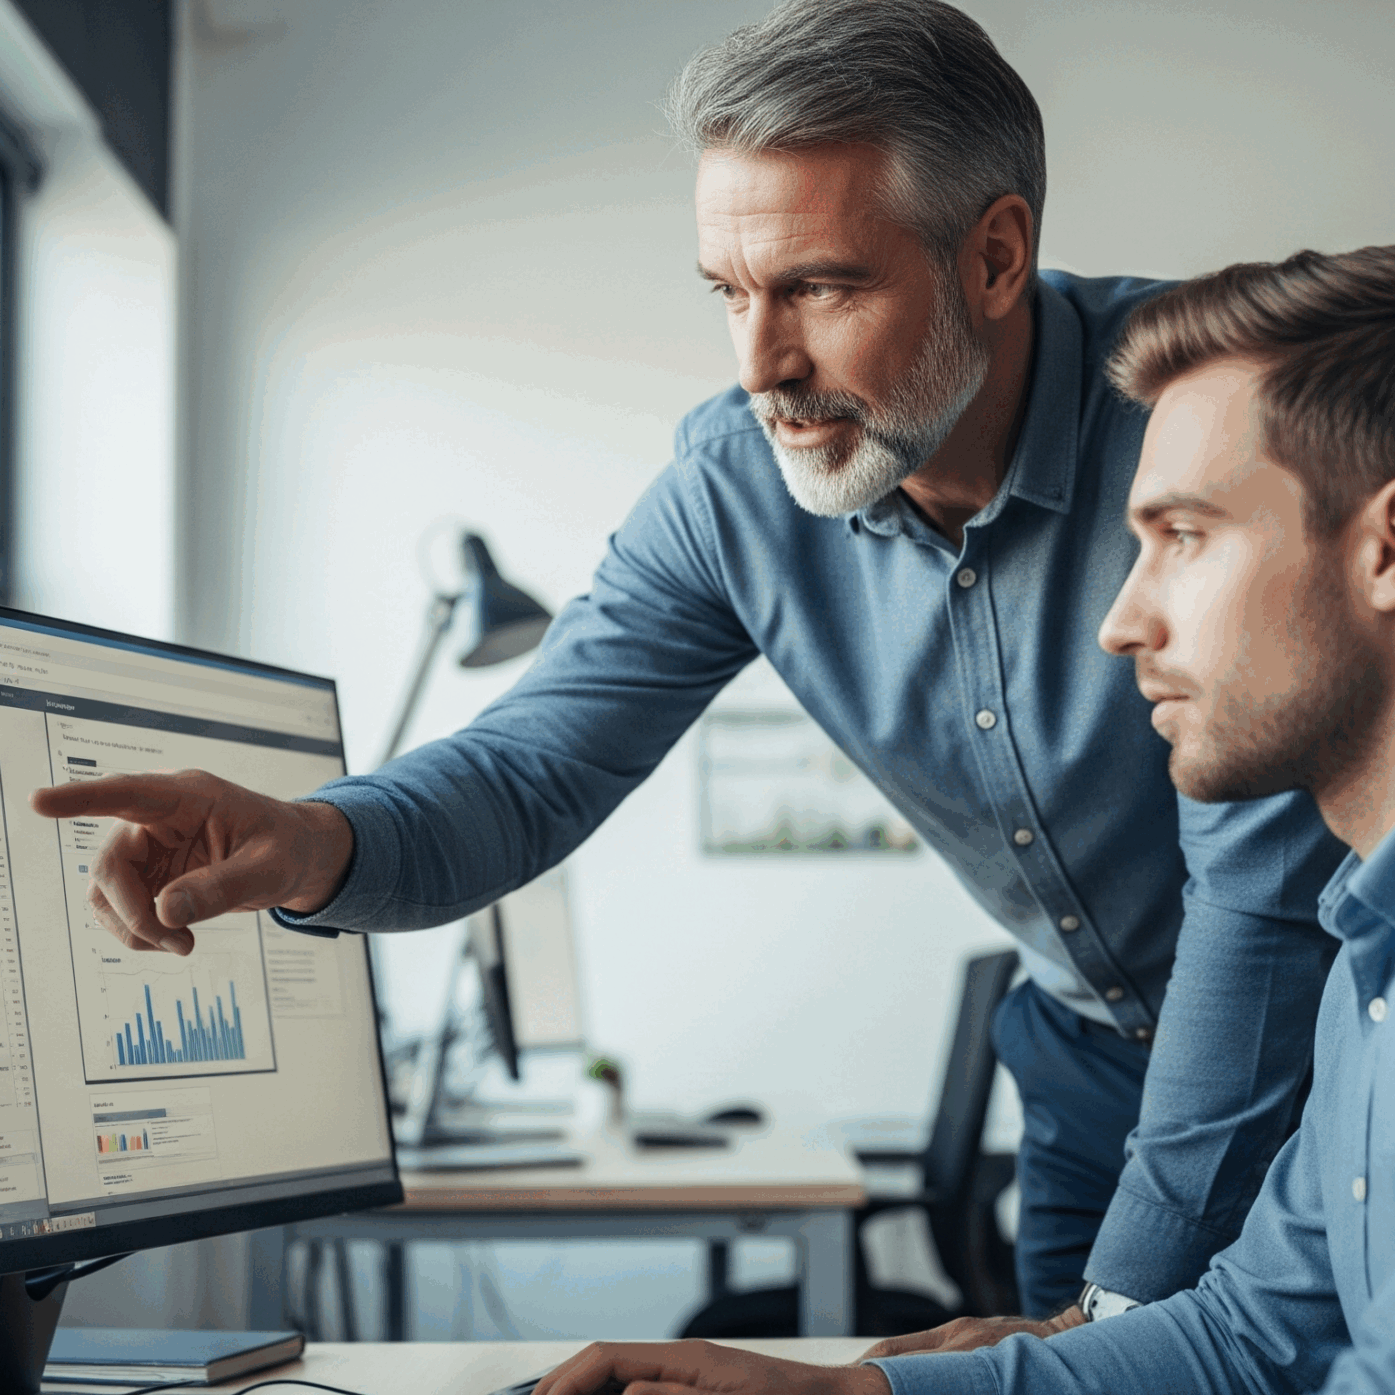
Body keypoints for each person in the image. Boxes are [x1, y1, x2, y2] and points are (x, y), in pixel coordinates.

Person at [28, 0, 1341, 1329]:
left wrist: (1117, 1316)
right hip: (1081, 1071)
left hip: (1328, 1050)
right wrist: (310, 839)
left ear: (992, 256)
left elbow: (1256, 903)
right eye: (728, 293)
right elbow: (533, 765)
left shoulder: (1201, 425)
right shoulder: (735, 483)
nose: (761, 364)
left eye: (818, 287)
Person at [525, 241, 1395, 1393]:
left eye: (1184, 536)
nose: (1120, 622)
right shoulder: (1364, 981)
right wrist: (847, 1393)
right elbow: (1241, 1339)